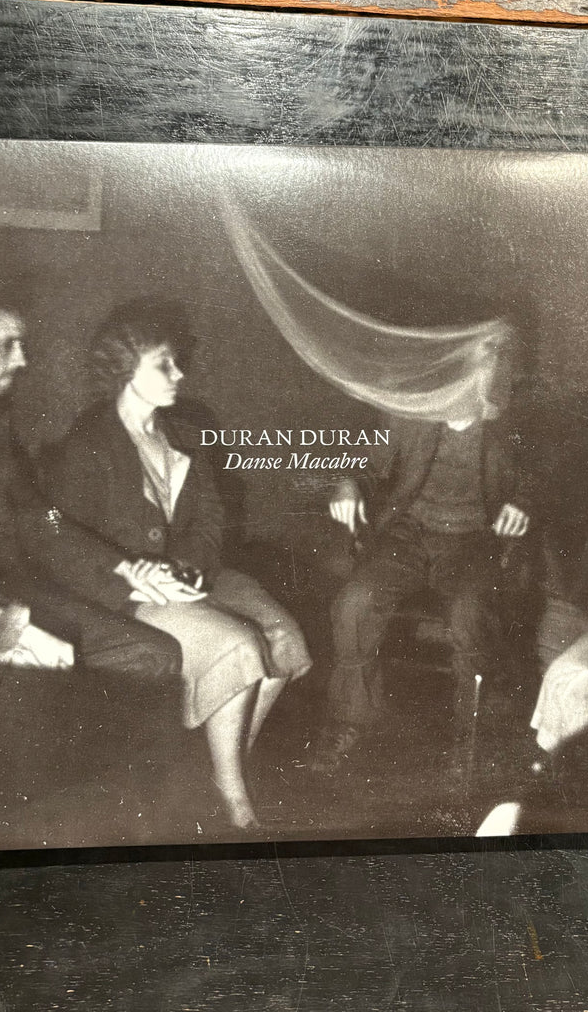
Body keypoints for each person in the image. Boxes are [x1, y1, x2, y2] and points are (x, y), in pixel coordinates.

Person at [47, 303, 311, 829]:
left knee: (284, 638)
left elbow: (211, 521)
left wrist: (186, 569)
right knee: (237, 643)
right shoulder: (87, 442)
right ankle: (235, 798)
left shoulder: (185, 433)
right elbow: (61, 535)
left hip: (194, 577)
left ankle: (219, 768)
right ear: (126, 370)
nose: (179, 374)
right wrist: (136, 573)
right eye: (164, 364)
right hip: (126, 591)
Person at [0, 301, 182, 679]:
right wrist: (2, 631)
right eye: (6, 345)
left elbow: (42, 519)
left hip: (3, 588)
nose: (22, 360)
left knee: (155, 653)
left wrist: (122, 566)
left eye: (22, 346)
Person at [313, 337, 534, 773]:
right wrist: (347, 484)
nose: (466, 387)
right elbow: (364, 465)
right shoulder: (409, 414)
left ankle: (470, 736)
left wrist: (523, 503)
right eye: (460, 373)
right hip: (407, 536)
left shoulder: (511, 426)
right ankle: (350, 718)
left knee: (470, 612)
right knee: (354, 603)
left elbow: (539, 478)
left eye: (482, 377)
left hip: (473, 542)